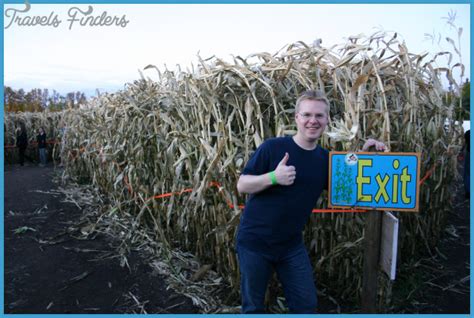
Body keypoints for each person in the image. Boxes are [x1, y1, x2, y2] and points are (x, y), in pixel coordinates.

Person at [235, 90, 385, 314]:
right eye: (306, 115)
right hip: (255, 243)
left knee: (306, 305)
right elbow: (242, 185)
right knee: (253, 307)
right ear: (297, 118)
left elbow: (351, 182)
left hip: (290, 245)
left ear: (326, 121)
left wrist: (366, 154)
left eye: (319, 116)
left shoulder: (325, 159)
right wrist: (274, 177)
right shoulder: (272, 147)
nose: (312, 121)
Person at [463, 129, 470, 199]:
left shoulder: (468, 132)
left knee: (468, 173)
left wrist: (461, 151)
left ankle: (468, 192)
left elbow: (464, 143)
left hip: (469, 154)